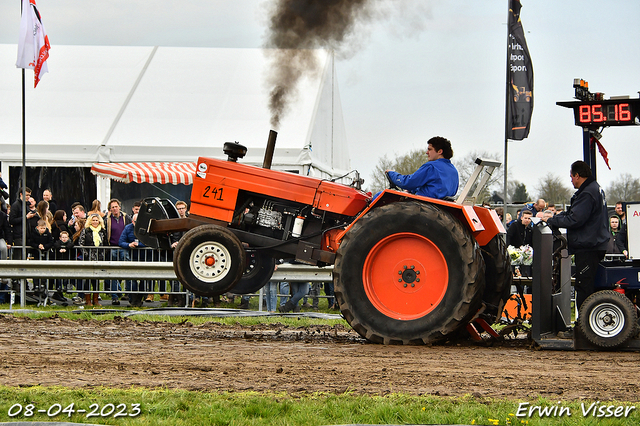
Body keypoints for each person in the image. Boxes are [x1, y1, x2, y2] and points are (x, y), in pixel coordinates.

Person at [546, 161, 609, 310]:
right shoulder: (595, 189)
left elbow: (576, 219)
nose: (571, 180)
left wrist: (553, 221)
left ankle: (582, 328)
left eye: (571, 176)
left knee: (584, 286)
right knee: (588, 284)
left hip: (588, 246)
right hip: (596, 243)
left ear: (577, 175)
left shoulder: (587, 193)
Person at [385, 136, 459, 199]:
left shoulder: (431, 167)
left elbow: (408, 182)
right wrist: (412, 190)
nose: (427, 152)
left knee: (381, 195)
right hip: (442, 206)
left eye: (430, 149)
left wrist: (391, 174)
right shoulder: (454, 171)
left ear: (439, 151)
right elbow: (434, 188)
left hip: (424, 204)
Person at [104, 198, 131, 304]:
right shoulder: (107, 219)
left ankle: (128, 293)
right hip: (112, 247)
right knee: (113, 272)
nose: (115, 209)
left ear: (119, 207)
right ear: (110, 209)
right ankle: (115, 295)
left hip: (124, 247)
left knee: (127, 270)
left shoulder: (126, 217)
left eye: (116, 206)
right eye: (112, 207)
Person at [78, 214, 108, 306]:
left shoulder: (102, 231)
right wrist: (86, 254)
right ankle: (88, 300)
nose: (95, 222)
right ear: (90, 221)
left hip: (99, 258)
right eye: (93, 220)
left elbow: (106, 244)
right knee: (88, 279)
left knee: (96, 280)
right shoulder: (86, 231)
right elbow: (81, 243)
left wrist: (103, 254)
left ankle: (96, 300)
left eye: (96, 220)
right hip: (88, 258)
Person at [118, 213, 146, 307]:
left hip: (144, 258)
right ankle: (133, 300)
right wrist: (129, 245)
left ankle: (139, 299)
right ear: (132, 221)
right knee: (131, 280)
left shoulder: (146, 228)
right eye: (135, 222)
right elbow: (121, 241)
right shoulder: (128, 228)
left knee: (144, 280)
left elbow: (150, 242)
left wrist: (140, 245)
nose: (136, 223)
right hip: (131, 257)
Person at [9, 187, 33, 259]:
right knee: (18, 256)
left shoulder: (27, 205)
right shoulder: (15, 205)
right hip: (19, 235)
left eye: (29, 195)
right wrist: (26, 217)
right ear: (21, 194)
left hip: (26, 234)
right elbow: (12, 220)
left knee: (25, 256)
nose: (28, 197)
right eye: (26, 195)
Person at [0, 209, 13, 303]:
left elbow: (7, 228)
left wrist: (9, 241)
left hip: (0, 238)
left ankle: (4, 265)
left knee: (3, 248)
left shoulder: (2, 215)